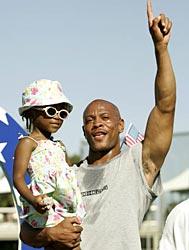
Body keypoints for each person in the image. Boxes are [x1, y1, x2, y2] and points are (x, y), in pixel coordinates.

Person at [20, 0, 176, 249]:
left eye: (105, 117)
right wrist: (48, 236)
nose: (97, 124)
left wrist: (161, 49)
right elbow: (26, 230)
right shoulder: (67, 174)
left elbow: (165, 106)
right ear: (83, 130)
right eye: (89, 120)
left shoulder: (139, 165)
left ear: (121, 125)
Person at [13, 79, 86, 247]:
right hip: (46, 204)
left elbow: (69, 174)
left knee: (73, 241)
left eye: (63, 113)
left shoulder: (60, 146)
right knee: (60, 242)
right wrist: (33, 200)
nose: (57, 118)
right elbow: (18, 178)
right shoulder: (28, 143)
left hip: (67, 203)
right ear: (31, 113)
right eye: (51, 110)